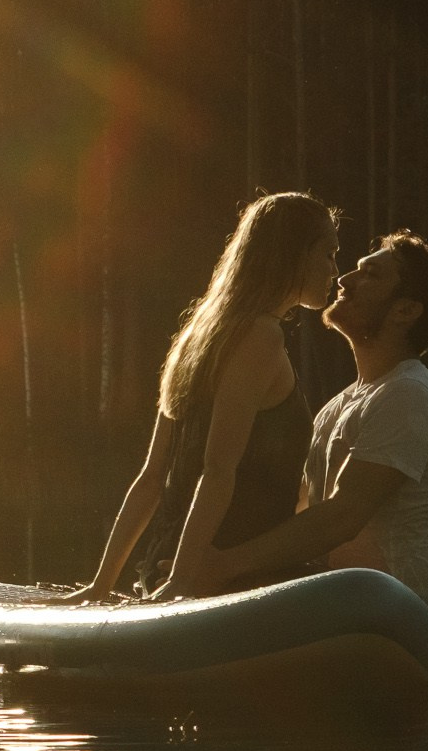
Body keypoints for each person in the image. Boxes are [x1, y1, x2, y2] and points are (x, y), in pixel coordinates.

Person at [209, 229, 428, 672]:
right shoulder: (344, 403)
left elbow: (341, 518)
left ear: (405, 311)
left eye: (370, 275)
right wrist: (205, 561)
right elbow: (301, 512)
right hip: (357, 635)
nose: (345, 278)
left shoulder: (409, 394)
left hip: (422, 641)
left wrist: (223, 566)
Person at [83, 191, 339, 601]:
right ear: (294, 254)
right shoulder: (261, 336)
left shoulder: (198, 334)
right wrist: (183, 583)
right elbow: (218, 470)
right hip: (221, 580)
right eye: (328, 254)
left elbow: (150, 479)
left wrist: (102, 583)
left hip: (166, 563)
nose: (334, 270)